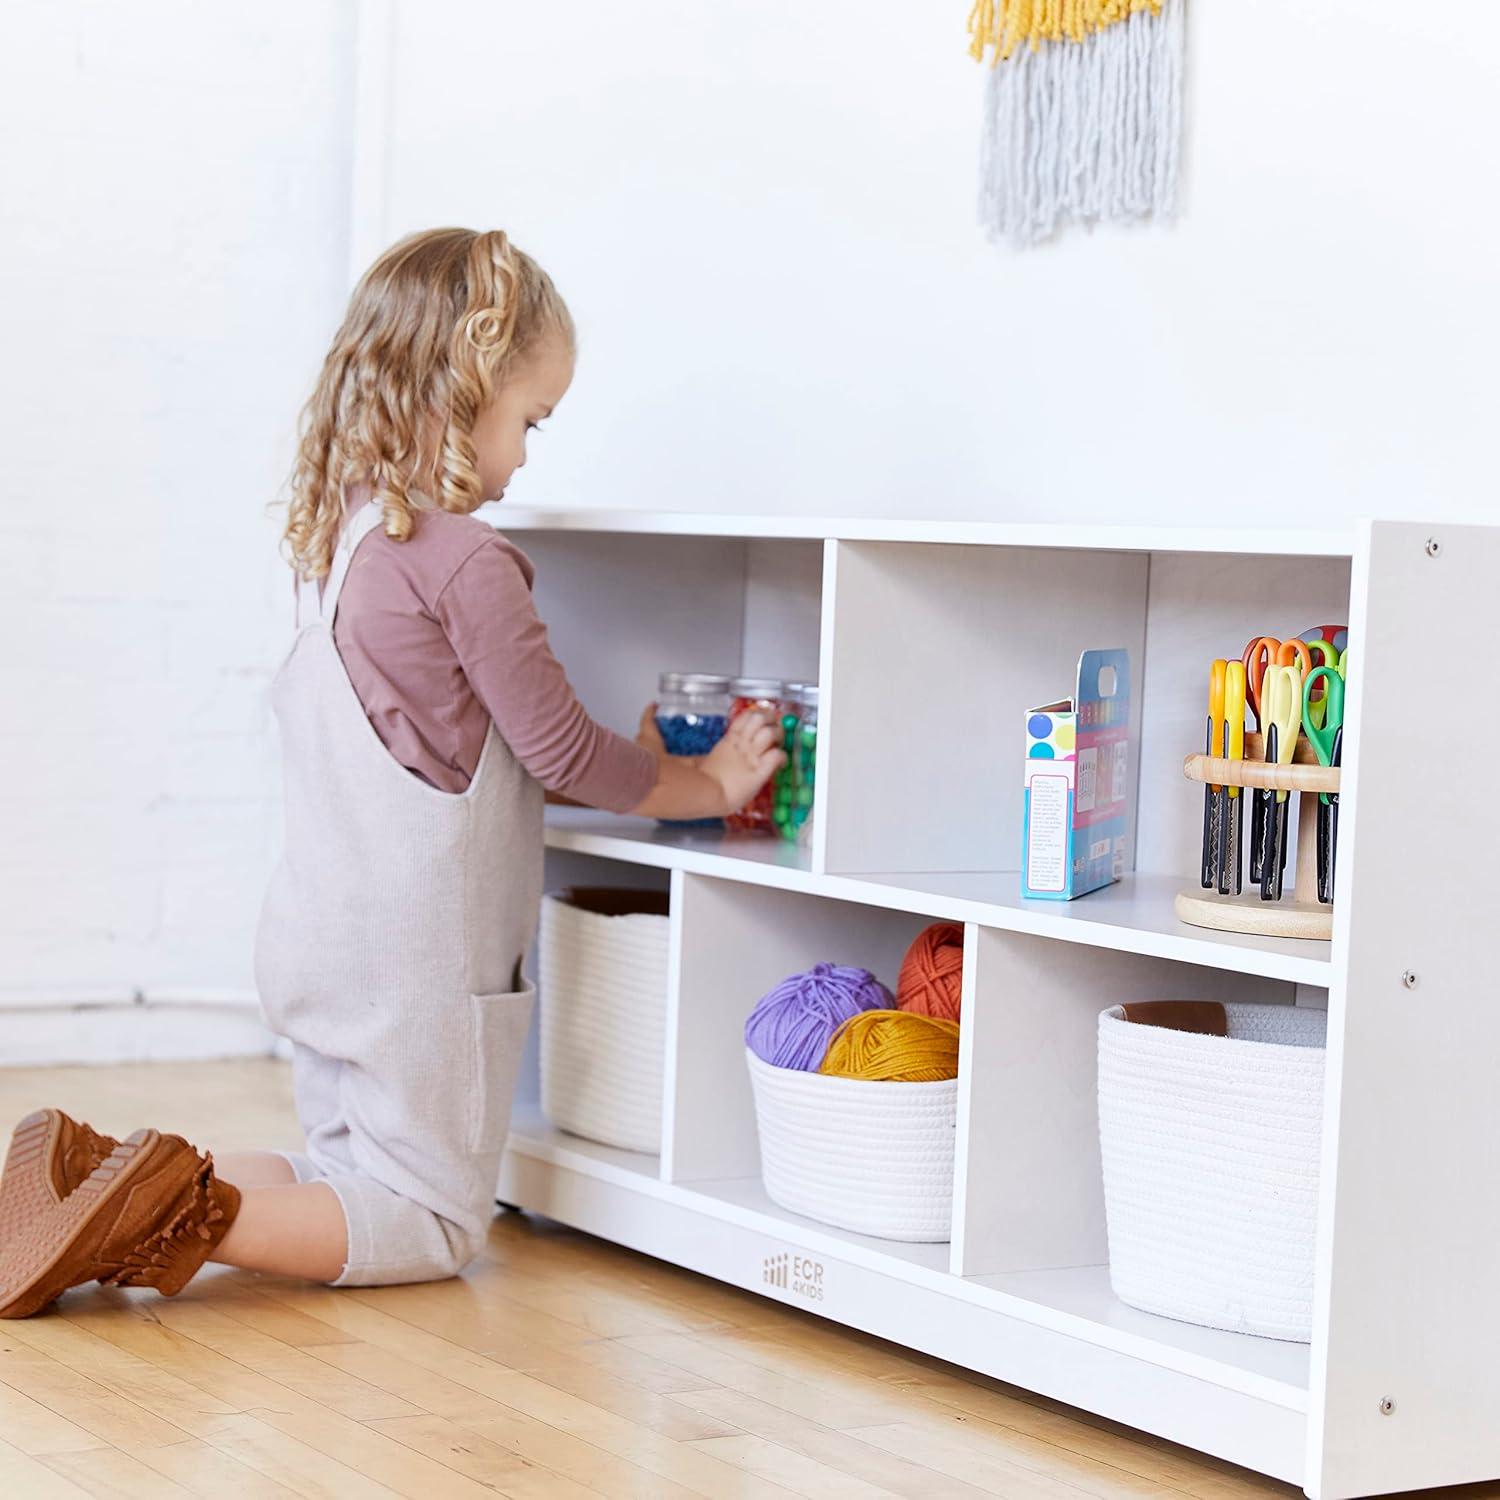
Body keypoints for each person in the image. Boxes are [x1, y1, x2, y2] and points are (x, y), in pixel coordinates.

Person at [0, 228, 783, 1315]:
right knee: (426, 1216)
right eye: (529, 420)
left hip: (318, 933)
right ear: (457, 394)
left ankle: (95, 1175)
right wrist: (704, 785)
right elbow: (554, 747)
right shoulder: (468, 562)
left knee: (339, 1166)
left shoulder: (340, 543)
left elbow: (465, 751)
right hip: (417, 967)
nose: (526, 457)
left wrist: (637, 757)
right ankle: (167, 1215)